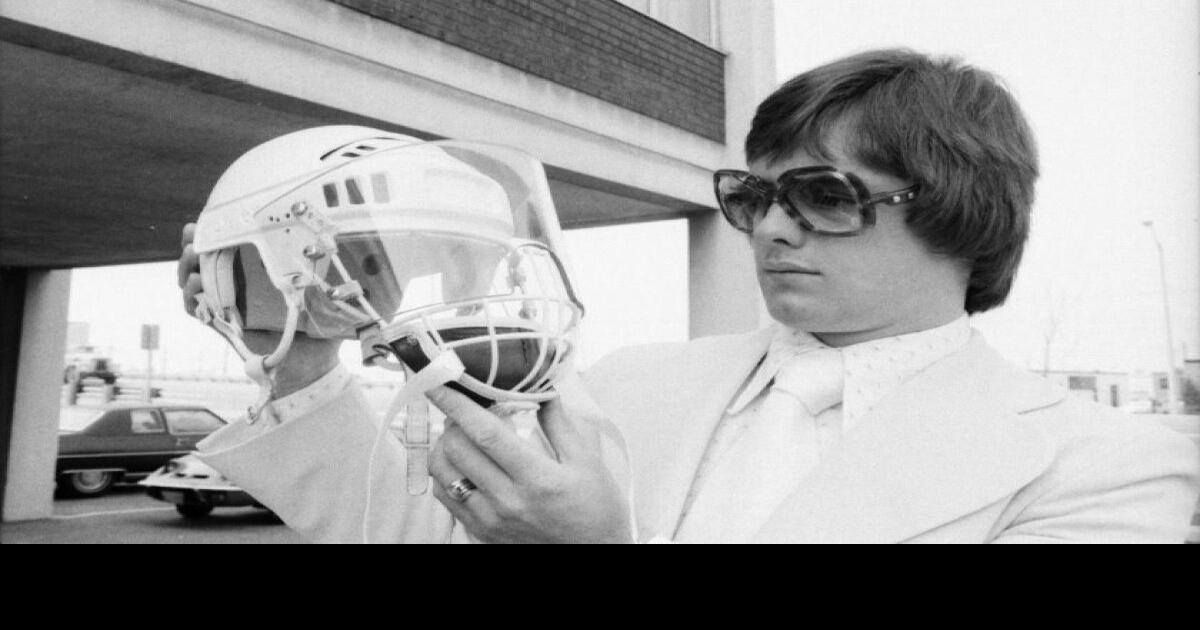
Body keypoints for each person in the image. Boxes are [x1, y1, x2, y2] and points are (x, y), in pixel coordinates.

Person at [183, 49, 1200, 543]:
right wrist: (294, 344)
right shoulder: (623, 384)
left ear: (967, 214)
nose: (769, 226)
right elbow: (404, 531)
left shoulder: (1109, 468)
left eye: (822, 196)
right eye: (754, 193)